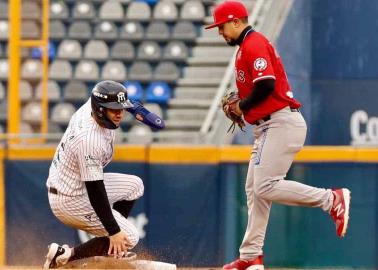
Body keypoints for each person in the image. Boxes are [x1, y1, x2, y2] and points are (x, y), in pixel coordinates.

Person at [205, 1, 351, 270]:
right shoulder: (244, 48)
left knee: (265, 186)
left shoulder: (254, 44)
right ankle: (251, 257)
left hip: (280, 123)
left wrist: (242, 106)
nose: (220, 32)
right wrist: (245, 107)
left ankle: (331, 199)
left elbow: (267, 84)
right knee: (255, 190)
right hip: (267, 126)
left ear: (236, 21)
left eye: (222, 26)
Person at [43, 80, 164, 269]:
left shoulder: (92, 107)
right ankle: (64, 257)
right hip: (69, 199)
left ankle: (107, 249)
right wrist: (114, 231)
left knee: (135, 185)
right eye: (114, 109)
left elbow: (115, 101)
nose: (119, 113)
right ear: (100, 109)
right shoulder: (89, 139)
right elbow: (95, 191)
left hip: (72, 183)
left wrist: (135, 108)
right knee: (128, 236)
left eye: (122, 108)